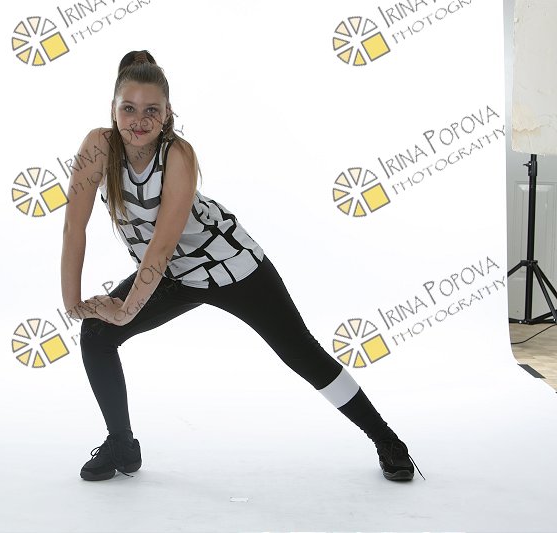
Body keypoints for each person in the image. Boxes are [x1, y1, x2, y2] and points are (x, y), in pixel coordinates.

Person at [61, 50, 423, 483]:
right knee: (96, 335)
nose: (139, 120)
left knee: (301, 352)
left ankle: (388, 441)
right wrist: (74, 303)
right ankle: (121, 444)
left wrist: (123, 310)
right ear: (113, 108)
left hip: (228, 265)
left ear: (168, 114)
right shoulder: (98, 146)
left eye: (151, 110)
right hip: (169, 277)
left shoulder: (178, 154)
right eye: (129, 108)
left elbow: (161, 248)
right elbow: (74, 227)